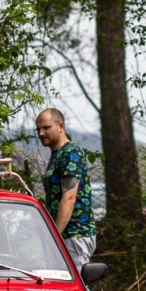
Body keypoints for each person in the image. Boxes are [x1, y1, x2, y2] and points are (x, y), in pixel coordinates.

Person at [35, 109, 97, 270]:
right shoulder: (57, 155)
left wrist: (55, 237)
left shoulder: (71, 153)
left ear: (61, 126)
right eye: (38, 129)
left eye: (46, 127)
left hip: (75, 234)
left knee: (75, 290)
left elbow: (69, 198)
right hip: (63, 236)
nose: (41, 133)